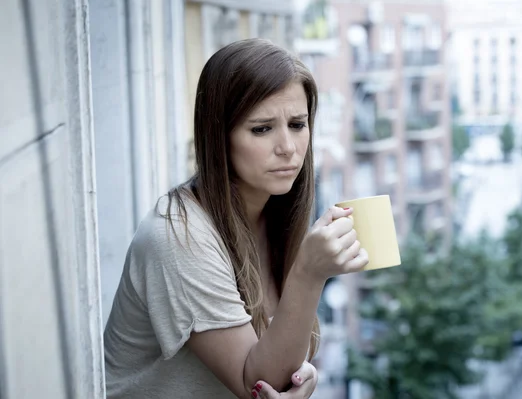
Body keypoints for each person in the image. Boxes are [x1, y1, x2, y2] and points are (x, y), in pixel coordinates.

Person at [103, 38, 369, 399]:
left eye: (297, 124)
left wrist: (302, 376)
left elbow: (281, 363)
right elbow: (255, 383)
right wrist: (309, 272)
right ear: (219, 137)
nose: (288, 147)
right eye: (261, 128)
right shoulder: (178, 236)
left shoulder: (273, 214)